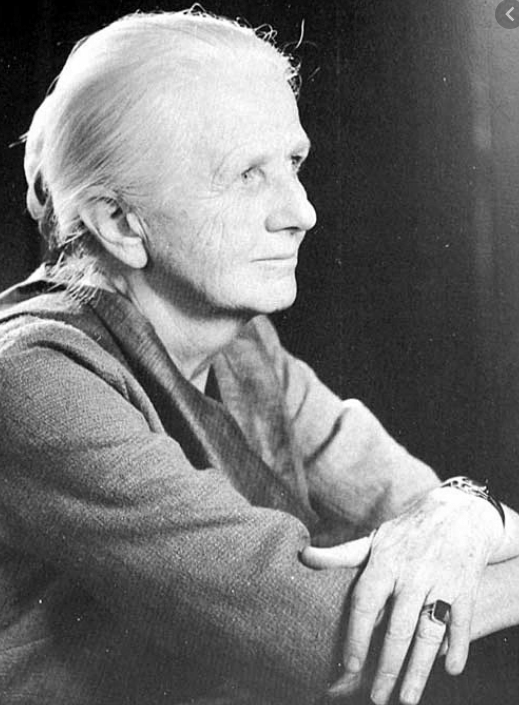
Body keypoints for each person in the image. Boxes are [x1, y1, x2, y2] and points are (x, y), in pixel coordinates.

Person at [0, 8, 519, 705]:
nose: (301, 212)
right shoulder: (30, 377)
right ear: (120, 223)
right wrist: (478, 533)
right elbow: (323, 631)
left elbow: (428, 533)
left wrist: (465, 513)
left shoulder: (246, 350)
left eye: (293, 163)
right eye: (248, 174)